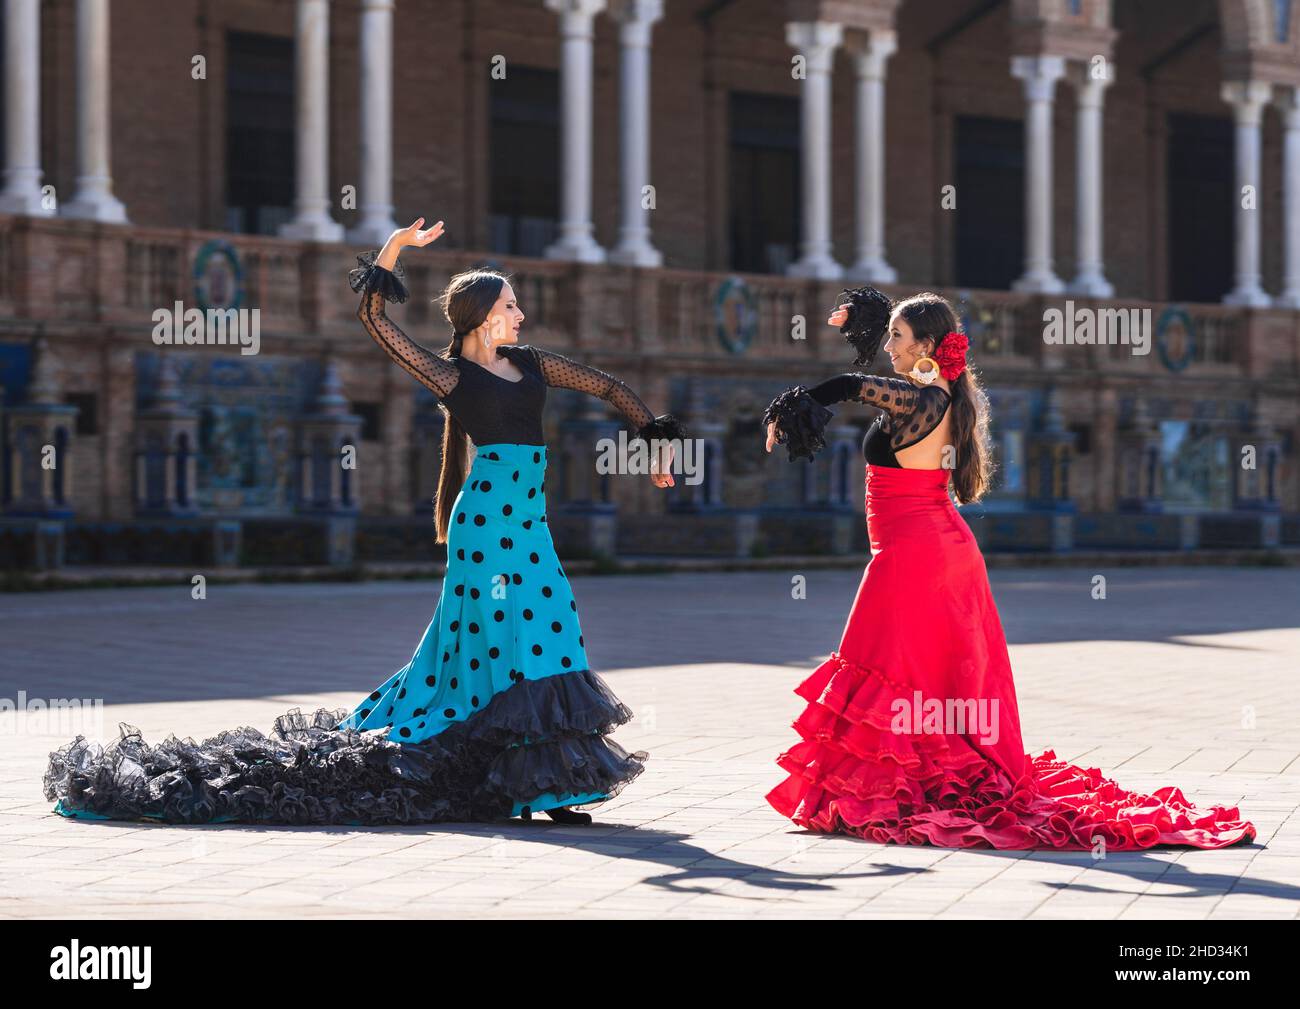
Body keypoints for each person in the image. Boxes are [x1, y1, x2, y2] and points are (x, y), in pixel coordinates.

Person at [43, 217, 684, 828]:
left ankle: (547, 779)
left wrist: (655, 442)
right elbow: (374, 319)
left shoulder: (535, 364)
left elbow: (610, 388)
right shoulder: (450, 375)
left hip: (530, 521)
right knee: (508, 641)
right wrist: (393, 248)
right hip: (486, 525)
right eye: (511, 306)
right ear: (487, 315)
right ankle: (527, 781)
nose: (520, 315)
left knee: (552, 629)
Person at [760, 286, 1255, 849]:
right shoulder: (934, 391)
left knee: (890, 664)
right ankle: (896, 781)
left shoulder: (927, 401)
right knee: (922, 671)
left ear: (925, 345)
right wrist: (867, 319)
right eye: (889, 337)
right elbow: (872, 374)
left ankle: (895, 786)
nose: (888, 348)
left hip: (917, 554)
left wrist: (792, 406)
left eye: (897, 338)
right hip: (934, 549)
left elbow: (852, 386)